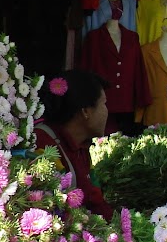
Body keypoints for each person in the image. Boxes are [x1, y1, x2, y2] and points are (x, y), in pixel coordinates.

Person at [34, 69, 114, 219]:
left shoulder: (82, 148)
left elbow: (94, 199)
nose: (107, 111)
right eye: (104, 104)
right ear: (85, 111)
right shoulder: (43, 145)